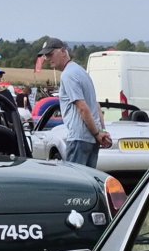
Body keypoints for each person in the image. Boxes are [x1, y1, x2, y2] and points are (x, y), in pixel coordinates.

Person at [37, 37, 111, 166]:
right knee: (88, 180)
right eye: (46, 55)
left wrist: (97, 133)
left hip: (79, 137)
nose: (48, 58)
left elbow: (82, 108)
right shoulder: (82, 72)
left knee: (75, 180)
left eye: (50, 54)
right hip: (92, 139)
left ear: (63, 51)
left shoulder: (68, 75)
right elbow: (96, 105)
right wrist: (101, 132)